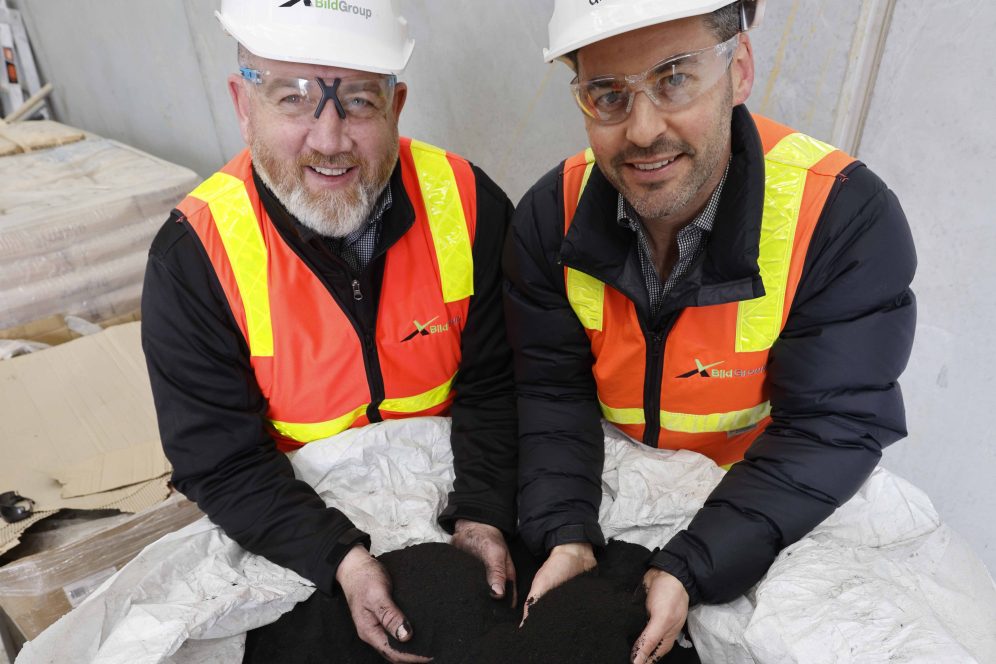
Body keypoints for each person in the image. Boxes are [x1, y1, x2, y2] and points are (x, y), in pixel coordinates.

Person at [504, 1, 916, 662]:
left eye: (673, 79)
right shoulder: (546, 219)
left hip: (763, 497)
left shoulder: (841, 217)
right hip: (607, 493)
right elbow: (551, 397)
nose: (641, 131)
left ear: (740, 70)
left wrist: (691, 567)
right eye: (608, 95)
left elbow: (831, 427)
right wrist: (564, 534)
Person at [141, 1, 517, 661]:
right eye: (294, 99)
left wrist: (484, 512)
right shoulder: (196, 257)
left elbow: (499, 383)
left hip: (461, 492)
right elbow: (222, 461)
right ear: (242, 103)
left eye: (361, 103)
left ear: (398, 105)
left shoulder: (468, 203)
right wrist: (340, 559)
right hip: (294, 523)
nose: (330, 139)